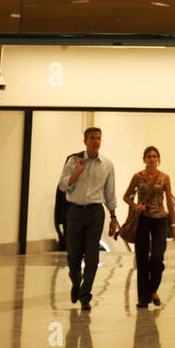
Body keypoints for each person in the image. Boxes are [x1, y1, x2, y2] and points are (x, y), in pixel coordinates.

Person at [57, 127, 118, 310]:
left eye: (98, 138)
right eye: (92, 138)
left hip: (95, 213)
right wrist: (77, 171)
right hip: (75, 211)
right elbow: (62, 185)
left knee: (92, 256)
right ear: (85, 141)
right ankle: (76, 283)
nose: (96, 141)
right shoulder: (73, 161)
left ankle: (85, 295)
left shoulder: (107, 164)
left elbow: (110, 193)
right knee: (73, 256)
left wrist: (113, 217)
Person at [123, 146, 175, 308]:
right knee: (141, 259)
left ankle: (153, 289)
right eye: (148, 156)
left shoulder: (164, 178)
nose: (152, 159)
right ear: (144, 159)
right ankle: (143, 298)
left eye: (154, 156)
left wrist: (174, 225)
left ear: (158, 159)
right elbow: (126, 196)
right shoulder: (138, 177)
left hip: (160, 220)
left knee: (156, 257)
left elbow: (169, 201)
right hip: (142, 220)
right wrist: (135, 205)